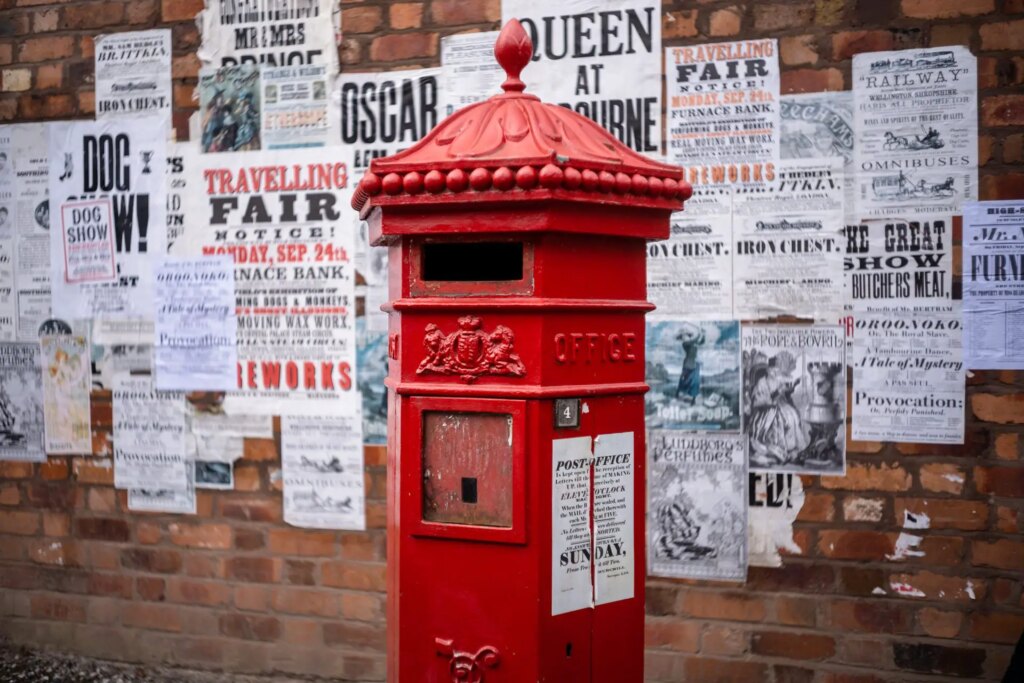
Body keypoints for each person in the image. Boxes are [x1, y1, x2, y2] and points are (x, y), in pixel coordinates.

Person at [747, 350, 808, 466]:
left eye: (778, 372)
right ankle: (776, 451)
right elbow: (758, 401)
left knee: (792, 415)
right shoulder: (762, 383)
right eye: (775, 372)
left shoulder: (779, 381)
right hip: (765, 411)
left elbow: (783, 395)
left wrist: (789, 389)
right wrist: (776, 394)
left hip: (780, 405)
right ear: (770, 371)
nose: (777, 374)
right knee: (778, 418)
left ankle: (792, 449)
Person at [675, 323, 705, 404]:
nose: (685, 337)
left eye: (686, 335)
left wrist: (703, 334)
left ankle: (693, 400)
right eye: (683, 336)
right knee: (683, 381)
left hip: (695, 365)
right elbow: (695, 339)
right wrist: (699, 332)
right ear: (682, 338)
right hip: (687, 365)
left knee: (695, 382)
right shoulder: (685, 344)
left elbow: (701, 342)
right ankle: (677, 393)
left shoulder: (692, 343)